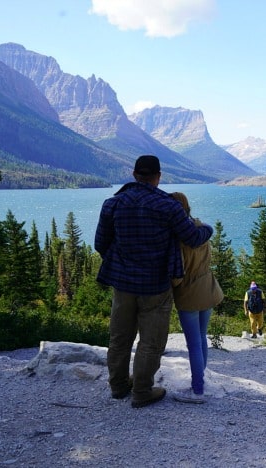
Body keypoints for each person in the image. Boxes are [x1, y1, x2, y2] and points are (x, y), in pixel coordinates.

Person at [95, 155, 213, 409]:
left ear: (134, 174)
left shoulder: (113, 203)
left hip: (123, 284)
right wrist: (208, 229)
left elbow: (100, 244)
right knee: (151, 341)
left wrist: (123, 263)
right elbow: (193, 237)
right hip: (156, 285)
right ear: (158, 176)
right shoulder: (166, 205)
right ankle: (142, 391)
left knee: (119, 337)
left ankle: (118, 386)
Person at [170, 192, 224, 404]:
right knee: (201, 338)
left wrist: (170, 287)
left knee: (193, 342)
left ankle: (197, 390)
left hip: (189, 291)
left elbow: (179, 271)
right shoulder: (201, 227)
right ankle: (200, 381)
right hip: (208, 287)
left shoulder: (178, 237)